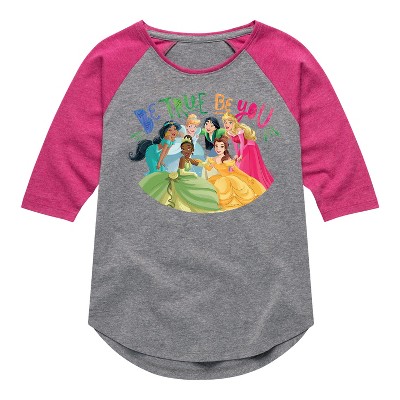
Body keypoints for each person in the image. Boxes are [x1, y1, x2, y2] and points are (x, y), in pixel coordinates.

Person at [139, 136, 220, 213]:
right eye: (183, 149)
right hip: (181, 177)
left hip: (187, 177)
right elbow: (181, 172)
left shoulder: (189, 159)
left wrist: (207, 164)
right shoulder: (183, 159)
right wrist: (193, 174)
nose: (186, 151)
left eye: (188, 148)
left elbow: (198, 163)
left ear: (192, 149)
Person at [196, 136, 266, 210]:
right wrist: (200, 163)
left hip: (229, 178)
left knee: (226, 187)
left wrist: (246, 176)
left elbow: (236, 170)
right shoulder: (213, 159)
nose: (218, 149)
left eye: (221, 146)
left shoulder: (227, 159)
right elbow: (209, 168)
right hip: (219, 178)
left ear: (225, 148)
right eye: (216, 146)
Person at [222, 112, 274, 189]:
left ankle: (250, 183)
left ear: (234, 123)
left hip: (250, 146)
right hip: (244, 147)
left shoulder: (239, 130)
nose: (227, 124)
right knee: (237, 163)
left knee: (245, 164)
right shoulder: (230, 132)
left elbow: (242, 143)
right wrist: (237, 154)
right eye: (225, 122)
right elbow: (235, 143)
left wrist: (241, 155)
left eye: (229, 122)